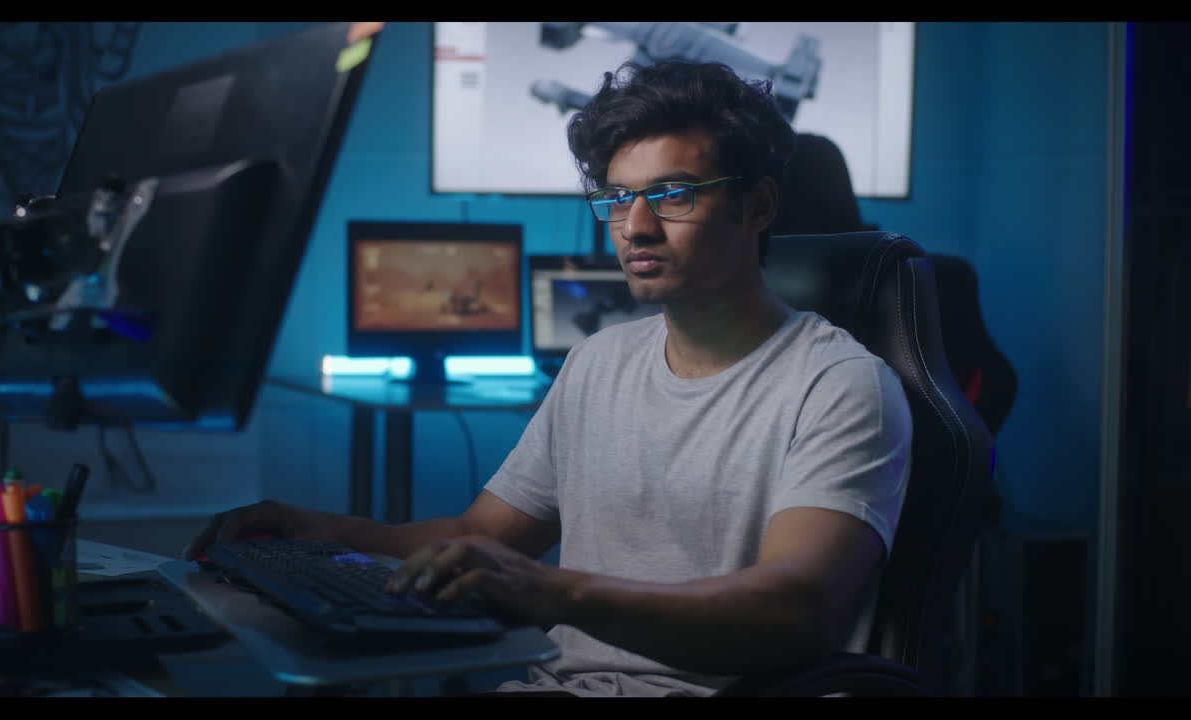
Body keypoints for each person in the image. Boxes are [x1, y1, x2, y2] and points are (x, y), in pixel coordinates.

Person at [184, 60, 912, 698]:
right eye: (617, 198)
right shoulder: (599, 362)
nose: (635, 227)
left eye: (674, 194)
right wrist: (317, 531)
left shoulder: (839, 386)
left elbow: (795, 609)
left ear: (758, 207)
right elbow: (479, 535)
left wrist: (555, 592)